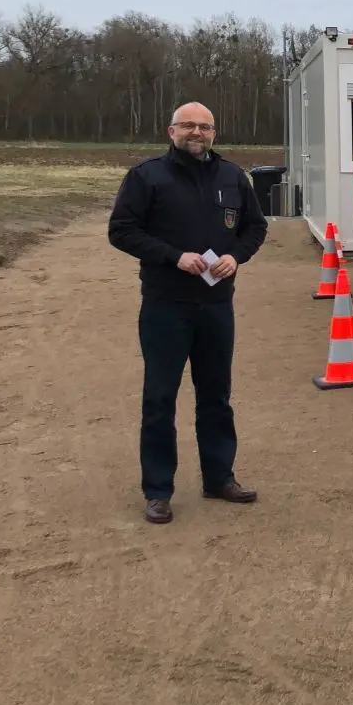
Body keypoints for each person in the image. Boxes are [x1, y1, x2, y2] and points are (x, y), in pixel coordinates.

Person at [107, 102, 267, 523]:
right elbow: (121, 230)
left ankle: (219, 477)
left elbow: (255, 227)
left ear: (214, 132)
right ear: (171, 131)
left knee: (216, 396)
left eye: (205, 127)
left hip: (216, 306)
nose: (197, 133)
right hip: (166, 306)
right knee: (160, 398)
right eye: (188, 126)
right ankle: (158, 490)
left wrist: (236, 256)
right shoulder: (147, 177)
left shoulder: (233, 177)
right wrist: (172, 256)